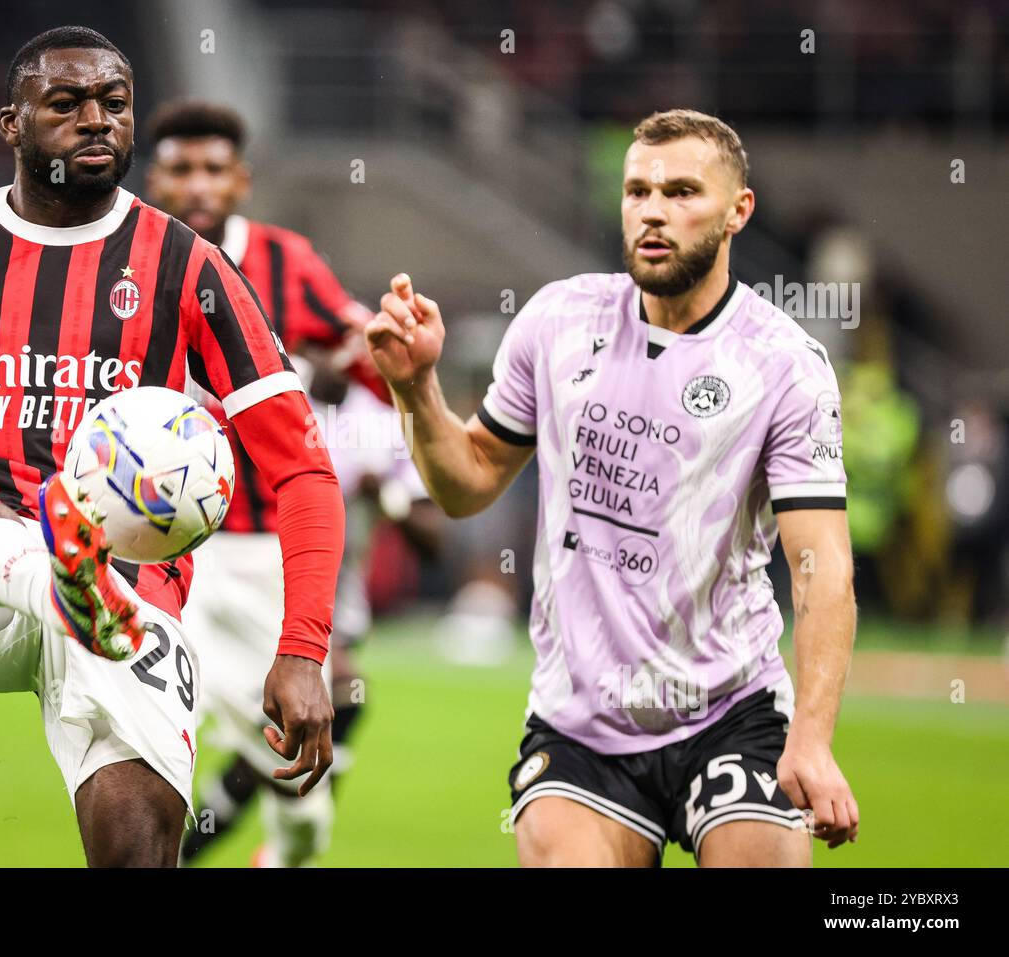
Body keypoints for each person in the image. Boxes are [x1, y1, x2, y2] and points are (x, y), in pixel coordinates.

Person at [0, 27, 342, 868]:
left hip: (123, 597)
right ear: (12, 124)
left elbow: (300, 465)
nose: (96, 121)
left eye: (114, 105)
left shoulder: (193, 268)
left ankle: (75, 588)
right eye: (67, 104)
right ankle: (52, 578)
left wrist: (301, 650)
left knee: (139, 855)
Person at [366, 109, 860, 866]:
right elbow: (467, 483)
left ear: (738, 212)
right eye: (638, 190)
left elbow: (822, 570)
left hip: (732, 705)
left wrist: (813, 741)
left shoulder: (784, 364)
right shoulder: (559, 320)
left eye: (683, 191)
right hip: (582, 723)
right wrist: (417, 391)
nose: (653, 210)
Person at [142, 99, 377, 866]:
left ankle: (276, 852)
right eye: (181, 169)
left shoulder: (287, 263)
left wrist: (411, 383)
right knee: (140, 737)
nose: (198, 185)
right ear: (156, 178)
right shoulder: (123, 261)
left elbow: (367, 360)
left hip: (263, 553)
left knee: (302, 789)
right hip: (151, 548)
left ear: (241, 180)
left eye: (214, 169)